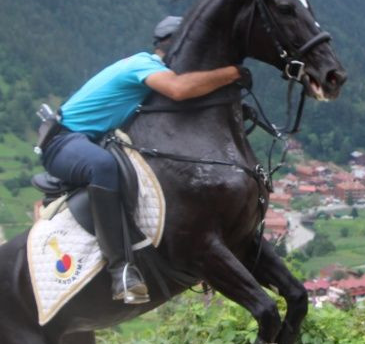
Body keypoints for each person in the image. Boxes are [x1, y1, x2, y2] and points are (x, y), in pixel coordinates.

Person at [39, 16, 243, 304]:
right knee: (102, 166)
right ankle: (120, 269)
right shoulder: (144, 65)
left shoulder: (152, 73)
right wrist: (233, 73)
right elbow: (180, 89)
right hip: (63, 142)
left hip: (90, 140)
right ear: (175, 46)